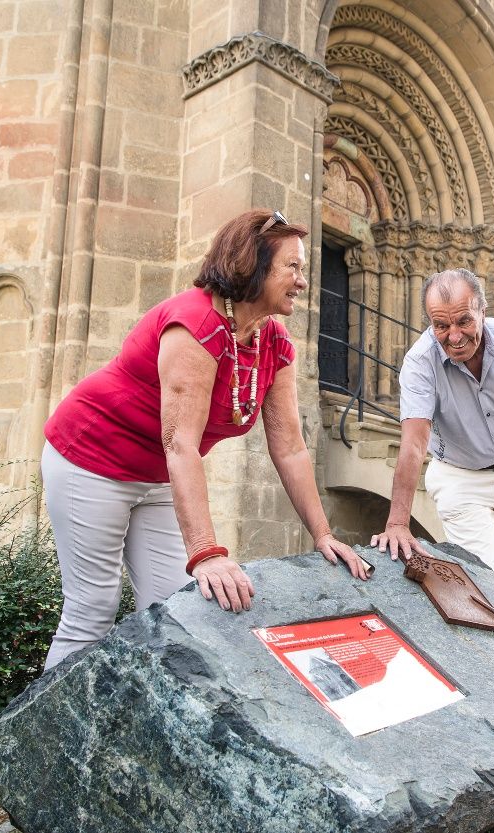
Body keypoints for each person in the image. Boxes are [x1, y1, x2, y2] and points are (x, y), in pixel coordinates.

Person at [40, 209, 369, 670]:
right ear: (253, 266)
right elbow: (180, 444)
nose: (302, 281)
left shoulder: (272, 341)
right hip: (91, 462)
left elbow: (290, 447)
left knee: (172, 610)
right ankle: (52, 736)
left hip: (158, 480)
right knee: (92, 610)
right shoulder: (195, 325)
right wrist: (206, 554)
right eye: (292, 267)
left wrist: (323, 534)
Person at [371, 268, 494, 617]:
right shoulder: (419, 362)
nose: (454, 336)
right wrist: (398, 522)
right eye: (441, 325)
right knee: (482, 578)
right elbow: (414, 443)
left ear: (483, 311)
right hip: (461, 477)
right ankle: (493, 665)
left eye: (464, 321)